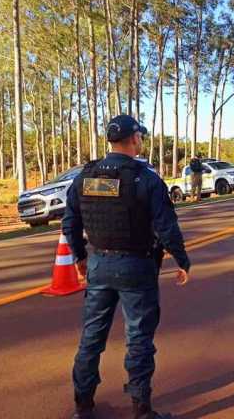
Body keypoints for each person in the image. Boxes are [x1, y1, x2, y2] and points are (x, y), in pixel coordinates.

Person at [63, 114, 190, 419]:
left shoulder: (85, 177)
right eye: (140, 137)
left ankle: (83, 406)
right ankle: (142, 409)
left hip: (99, 264)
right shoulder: (146, 179)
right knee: (139, 338)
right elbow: (166, 227)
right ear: (134, 138)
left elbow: (70, 223)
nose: (141, 141)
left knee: (92, 336)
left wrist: (80, 257)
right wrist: (181, 260)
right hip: (137, 267)